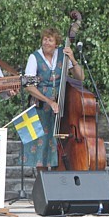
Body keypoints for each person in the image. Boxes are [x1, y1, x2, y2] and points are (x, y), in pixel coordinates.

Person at [23, 27, 84, 170]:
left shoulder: (63, 55)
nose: (46, 43)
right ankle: (42, 180)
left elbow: (80, 77)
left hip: (60, 105)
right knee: (40, 146)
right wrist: (49, 101)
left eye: (50, 40)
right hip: (39, 106)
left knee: (58, 143)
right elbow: (29, 87)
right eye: (45, 39)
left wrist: (73, 59)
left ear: (56, 43)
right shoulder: (34, 57)